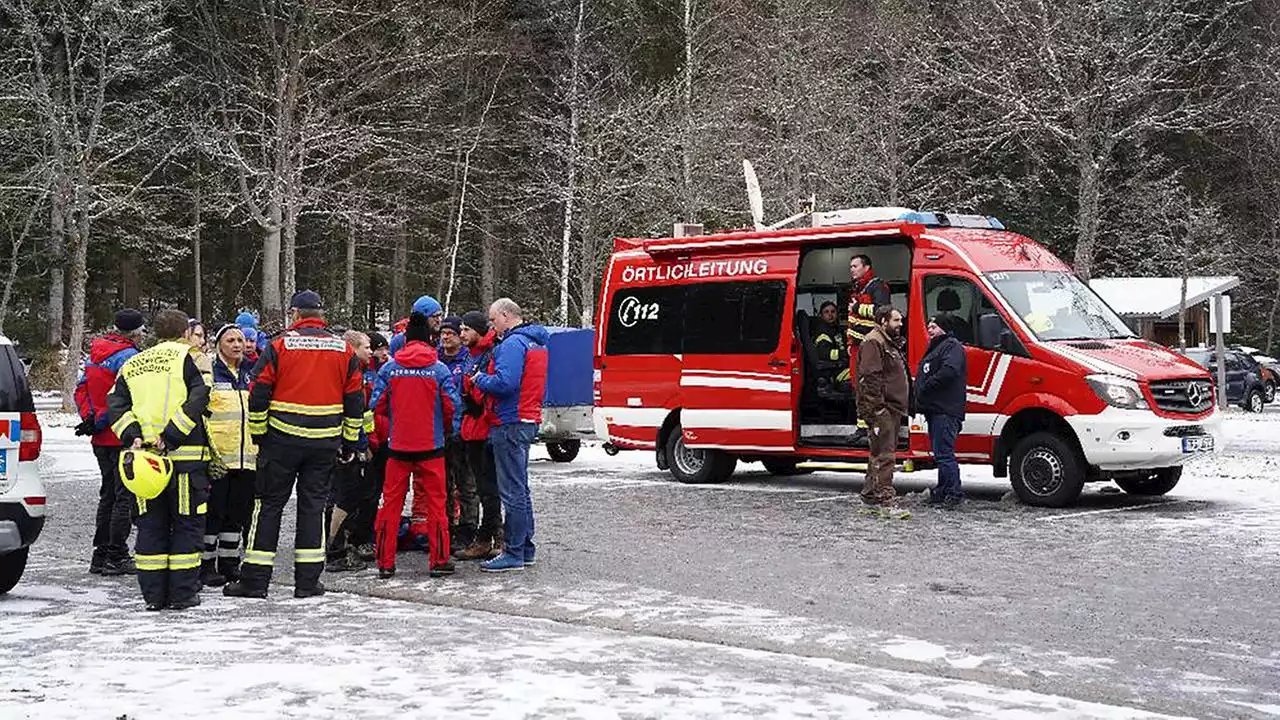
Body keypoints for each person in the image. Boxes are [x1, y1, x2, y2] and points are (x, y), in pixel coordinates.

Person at [223, 290, 364, 600]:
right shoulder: (343, 349)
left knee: (268, 506)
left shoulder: (278, 346)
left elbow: (259, 392)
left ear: (295, 314)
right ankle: (308, 582)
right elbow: (355, 399)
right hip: (324, 442)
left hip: (281, 441)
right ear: (321, 315)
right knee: (313, 508)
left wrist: (259, 434)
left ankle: (255, 580)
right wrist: (350, 441)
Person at [106, 309, 212, 611]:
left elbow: (115, 403)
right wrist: (172, 434)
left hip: (145, 463)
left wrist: (133, 436)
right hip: (183, 460)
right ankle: (182, 594)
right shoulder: (189, 358)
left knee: (150, 527)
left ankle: (153, 596)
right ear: (184, 333)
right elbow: (200, 397)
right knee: (186, 526)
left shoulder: (134, 362)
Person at [370, 312, 460, 579]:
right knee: (436, 506)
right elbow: (451, 407)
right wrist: (447, 433)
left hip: (398, 448)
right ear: (429, 341)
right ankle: (439, 560)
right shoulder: (439, 369)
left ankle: (385, 563)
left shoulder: (389, 369)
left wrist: (391, 431)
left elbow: (377, 405)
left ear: (406, 340)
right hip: (431, 447)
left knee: (390, 506)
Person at [474, 298, 548, 573]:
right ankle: (525, 548)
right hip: (527, 418)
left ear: (505, 315)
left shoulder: (512, 345)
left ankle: (514, 551)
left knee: (512, 491)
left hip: (509, 421)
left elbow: (505, 383)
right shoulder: (536, 343)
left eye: (493, 321)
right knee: (521, 489)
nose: (492, 327)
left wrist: (480, 379)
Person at [75, 308, 144, 576]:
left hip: (99, 435)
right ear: (135, 332)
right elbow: (129, 396)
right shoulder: (130, 358)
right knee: (123, 497)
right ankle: (116, 554)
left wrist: (91, 418)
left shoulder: (95, 354)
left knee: (108, 495)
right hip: (121, 433)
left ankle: (100, 554)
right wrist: (106, 420)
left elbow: (81, 389)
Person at [201, 324, 258, 586]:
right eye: (231, 340)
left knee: (237, 514)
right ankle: (206, 564)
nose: (238, 345)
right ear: (219, 345)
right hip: (219, 457)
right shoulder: (211, 373)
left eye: (241, 340)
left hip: (247, 457)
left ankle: (229, 562)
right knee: (214, 513)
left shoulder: (250, 373)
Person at [325, 330, 374, 572]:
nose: (371, 351)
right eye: (366, 346)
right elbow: (349, 411)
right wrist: (354, 445)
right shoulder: (346, 372)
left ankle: (339, 547)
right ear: (352, 348)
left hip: (351, 443)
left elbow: (362, 414)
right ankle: (334, 552)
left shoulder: (357, 372)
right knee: (340, 498)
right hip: (344, 446)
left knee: (347, 497)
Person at [457, 311, 502, 560]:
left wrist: (475, 401)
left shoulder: (490, 353)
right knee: (483, 487)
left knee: (488, 487)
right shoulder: (472, 354)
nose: (462, 335)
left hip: (484, 428)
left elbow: (490, 389)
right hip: (471, 428)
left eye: (466, 330)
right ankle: (492, 535)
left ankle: (491, 537)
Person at [856, 305, 909, 510]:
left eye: (900, 320)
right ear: (883, 322)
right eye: (896, 320)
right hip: (883, 409)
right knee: (885, 455)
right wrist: (877, 409)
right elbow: (870, 378)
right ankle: (884, 499)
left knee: (878, 452)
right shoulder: (874, 342)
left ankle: (870, 494)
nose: (900, 324)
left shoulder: (886, 342)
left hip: (890, 407)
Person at [916, 315, 967, 507]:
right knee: (940, 453)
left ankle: (954, 492)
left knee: (945, 454)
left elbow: (950, 370)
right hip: (936, 410)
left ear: (944, 328)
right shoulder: (938, 347)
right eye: (929, 325)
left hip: (945, 410)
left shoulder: (951, 346)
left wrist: (927, 385)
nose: (929, 329)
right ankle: (942, 490)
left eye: (934, 326)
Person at [348, 331, 390, 561]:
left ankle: (366, 537)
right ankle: (353, 539)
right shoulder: (355, 373)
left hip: (379, 440)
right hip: (359, 443)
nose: (382, 352)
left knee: (374, 492)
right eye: (375, 347)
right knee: (357, 493)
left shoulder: (377, 372)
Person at [438, 316, 471, 549]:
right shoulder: (435, 360)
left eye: (450, 332)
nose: (445, 336)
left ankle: (468, 528)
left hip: (463, 432)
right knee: (443, 484)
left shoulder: (468, 360)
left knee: (467, 483)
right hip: (439, 431)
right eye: (442, 333)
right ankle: (446, 526)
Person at [846, 254, 891, 382]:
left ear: (866, 268)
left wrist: (857, 308)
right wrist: (850, 342)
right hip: (857, 345)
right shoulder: (858, 287)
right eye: (851, 267)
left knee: (868, 382)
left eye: (855, 266)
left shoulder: (878, 286)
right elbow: (853, 320)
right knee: (856, 382)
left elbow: (882, 311)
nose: (852, 269)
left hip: (870, 345)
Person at [811, 301, 850, 387]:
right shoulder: (822, 333)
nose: (830, 315)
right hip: (835, 371)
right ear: (821, 315)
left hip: (844, 365)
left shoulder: (836, 329)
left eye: (833, 312)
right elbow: (825, 354)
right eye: (826, 312)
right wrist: (845, 353)